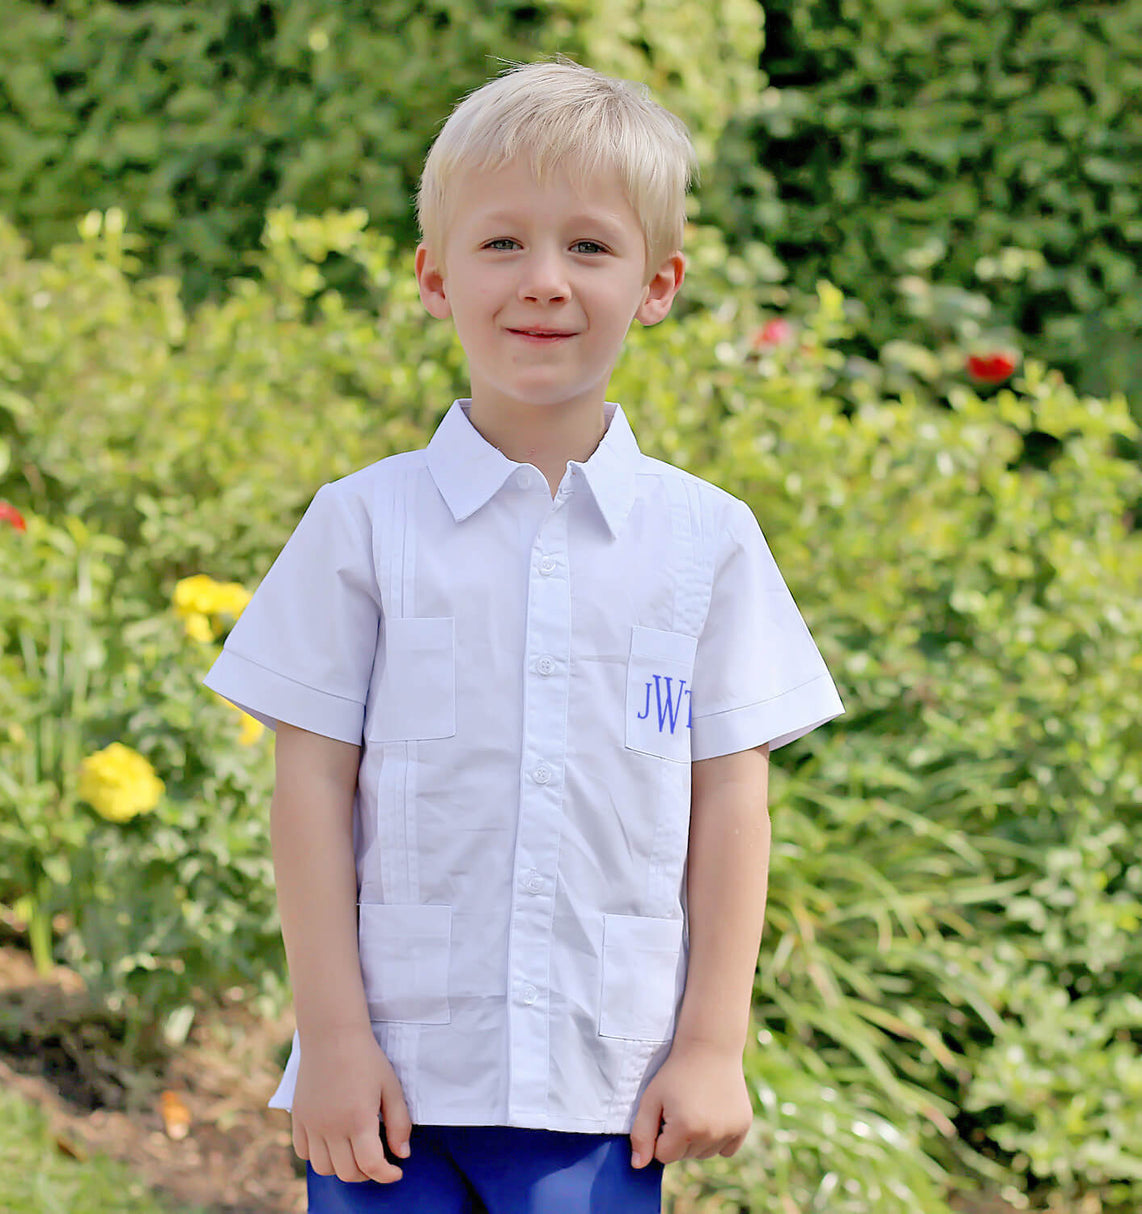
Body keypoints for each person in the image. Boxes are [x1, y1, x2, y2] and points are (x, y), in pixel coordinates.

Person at [203, 57, 843, 1214]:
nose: (543, 281)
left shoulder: (706, 541)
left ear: (656, 284)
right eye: (501, 243)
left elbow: (728, 801)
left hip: (602, 1086)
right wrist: (331, 1037)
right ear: (433, 276)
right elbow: (309, 787)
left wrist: (711, 1042)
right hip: (387, 1081)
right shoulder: (363, 525)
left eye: (589, 246)